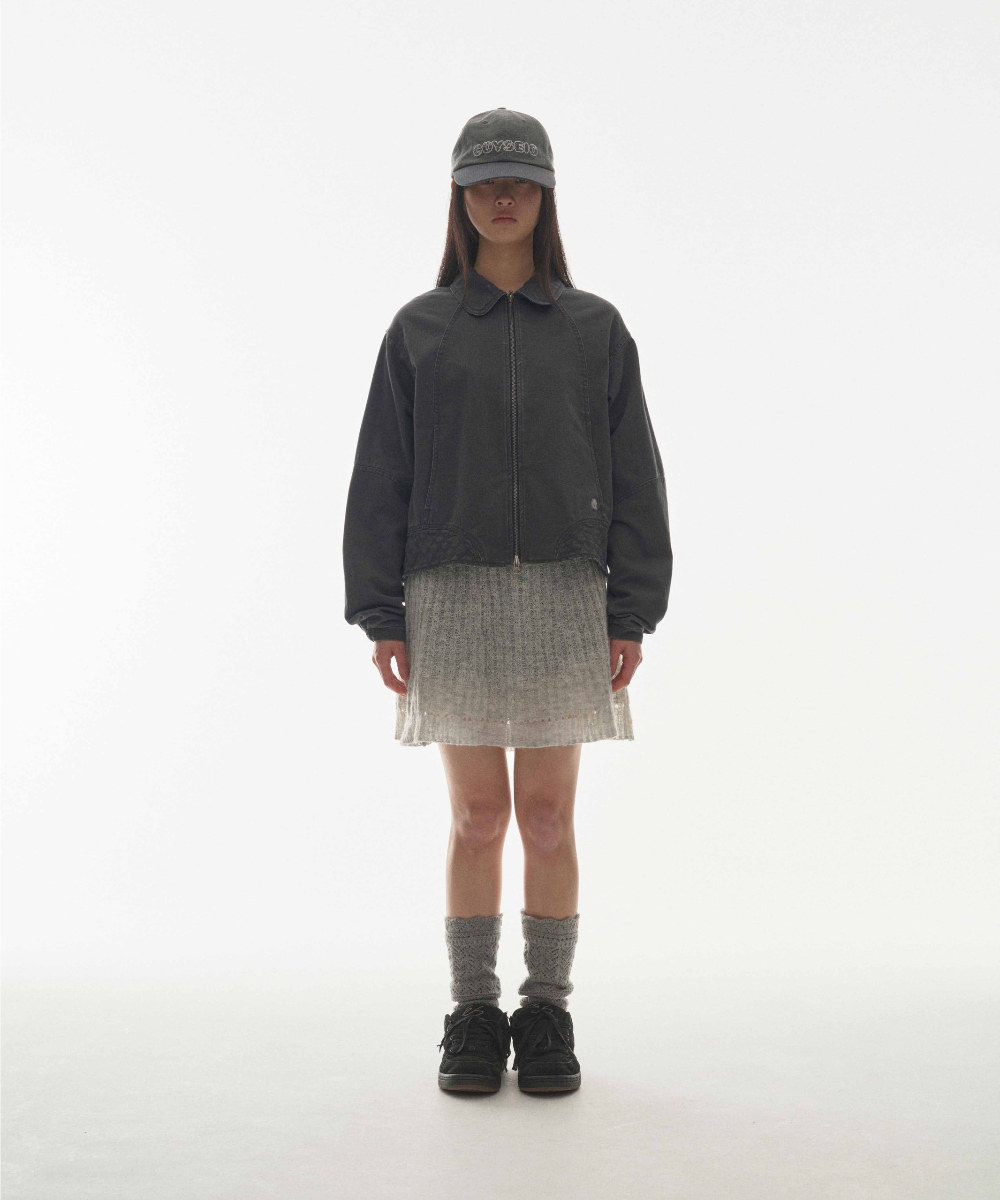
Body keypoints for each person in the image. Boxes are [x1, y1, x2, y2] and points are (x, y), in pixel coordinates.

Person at [342, 108, 673, 1095]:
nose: (501, 197)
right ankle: (473, 1013)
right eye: (484, 181)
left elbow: (636, 473)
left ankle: (548, 1010)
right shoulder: (419, 330)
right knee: (480, 816)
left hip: (567, 593)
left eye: (519, 181)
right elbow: (381, 476)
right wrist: (380, 610)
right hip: (451, 592)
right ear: (458, 196)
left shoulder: (595, 329)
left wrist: (631, 609)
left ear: (546, 196)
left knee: (549, 816)